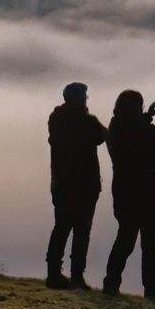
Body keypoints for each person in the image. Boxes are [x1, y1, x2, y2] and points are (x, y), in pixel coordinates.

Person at [102, 90, 155, 300]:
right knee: (151, 247)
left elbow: (134, 127)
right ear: (138, 107)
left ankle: (111, 284)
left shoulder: (115, 128)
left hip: (125, 195)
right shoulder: (145, 131)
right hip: (151, 196)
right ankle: (152, 291)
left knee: (124, 241)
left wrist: (147, 116)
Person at [45, 81, 106, 290]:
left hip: (61, 183)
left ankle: (53, 274)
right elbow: (103, 137)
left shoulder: (56, 118)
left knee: (61, 228)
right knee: (82, 231)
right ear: (82, 100)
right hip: (85, 185)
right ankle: (77, 277)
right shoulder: (87, 121)